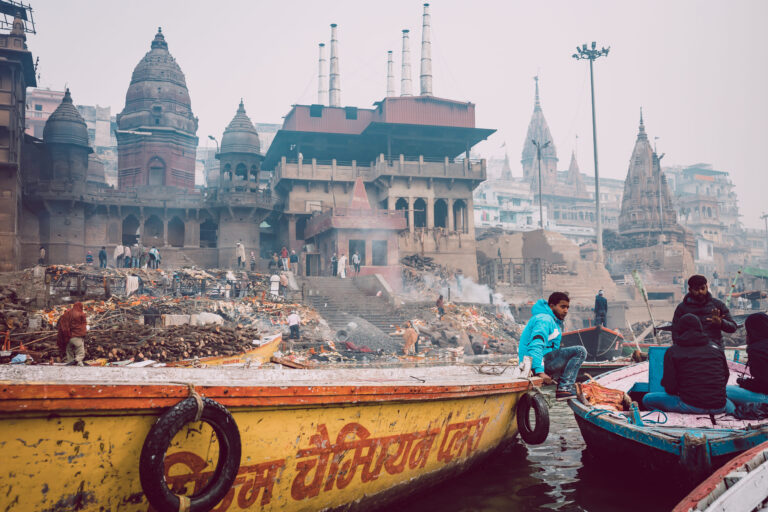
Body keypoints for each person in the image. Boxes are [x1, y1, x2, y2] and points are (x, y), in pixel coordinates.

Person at [643, 314, 735, 414]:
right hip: (719, 406)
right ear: (700, 329)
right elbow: (726, 375)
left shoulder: (673, 351)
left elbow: (670, 388)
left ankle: (668, 419)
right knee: (730, 404)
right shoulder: (716, 348)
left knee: (647, 399)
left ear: (679, 330)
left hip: (690, 405)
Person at [518, 292, 586, 401]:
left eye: (567, 307)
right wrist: (540, 372)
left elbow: (552, 350)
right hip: (534, 363)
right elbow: (536, 345)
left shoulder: (554, 322)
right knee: (580, 351)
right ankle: (564, 388)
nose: (566, 311)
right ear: (551, 306)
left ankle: (565, 385)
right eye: (562, 306)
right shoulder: (544, 320)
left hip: (541, 362)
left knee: (567, 353)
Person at [673, 275, 737, 350]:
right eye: (696, 289)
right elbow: (675, 332)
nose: (700, 291)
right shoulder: (682, 308)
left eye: (702, 288)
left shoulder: (717, 305)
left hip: (714, 351)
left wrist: (721, 323)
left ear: (706, 287)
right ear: (690, 290)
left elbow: (733, 327)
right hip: (690, 351)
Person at [727, 312, 768, 405]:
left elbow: (764, 385)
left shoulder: (757, 350)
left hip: (766, 397)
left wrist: (745, 383)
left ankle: (734, 413)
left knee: (723, 392)